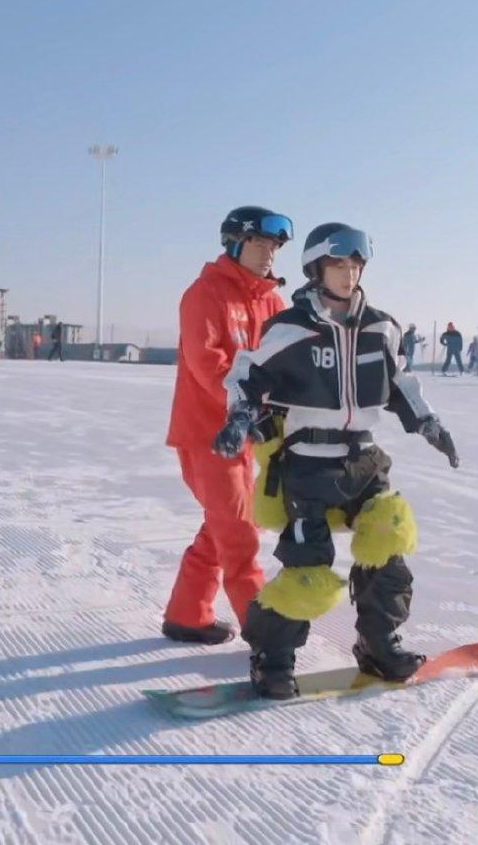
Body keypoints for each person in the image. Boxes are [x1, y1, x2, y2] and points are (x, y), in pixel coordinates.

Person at [214, 221, 458, 699]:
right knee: (308, 570)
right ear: (315, 270)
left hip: (365, 458)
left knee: (388, 545)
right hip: (308, 462)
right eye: (337, 266)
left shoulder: (381, 327)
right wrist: (239, 419)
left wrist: (429, 424)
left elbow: (403, 382)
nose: (348, 275)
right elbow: (248, 373)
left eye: (354, 265)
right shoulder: (291, 328)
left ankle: (378, 643)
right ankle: (272, 659)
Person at [163, 206, 293, 646]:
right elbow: (208, 363)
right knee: (237, 532)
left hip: (251, 434)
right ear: (236, 243)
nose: (269, 253)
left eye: (274, 245)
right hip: (207, 434)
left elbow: (287, 363)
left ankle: (187, 614)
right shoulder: (204, 294)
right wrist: (250, 402)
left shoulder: (274, 301)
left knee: (227, 523)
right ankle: (265, 634)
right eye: (261, 243)